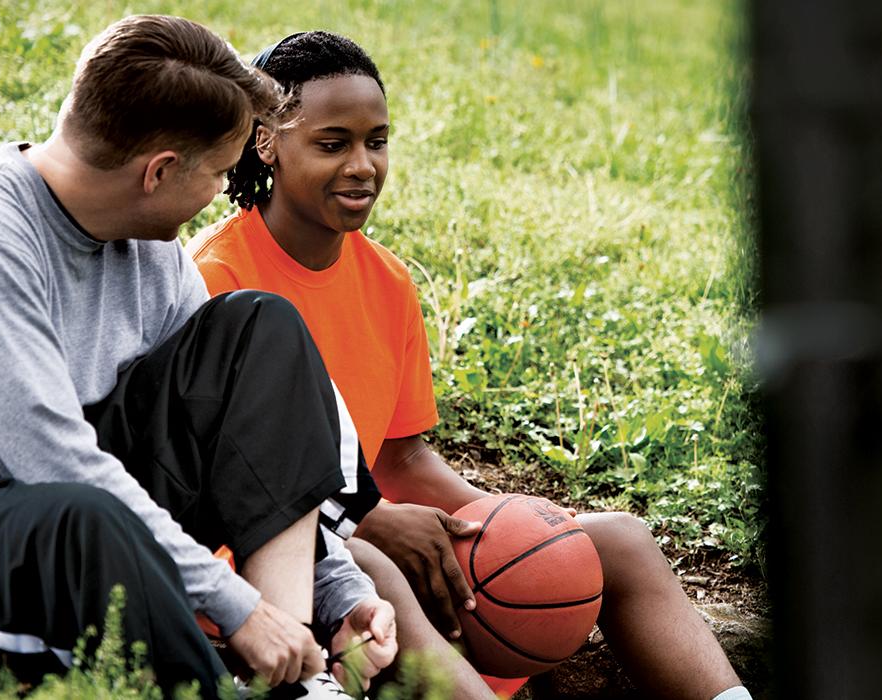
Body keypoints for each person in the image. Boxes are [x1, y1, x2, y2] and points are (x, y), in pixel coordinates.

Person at [0, 16, 397, 699]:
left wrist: (339, 591)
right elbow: (52, 463)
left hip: (50, 497)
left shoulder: (149, 249)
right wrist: (237, 608)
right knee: (88, 519)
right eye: (222, 173)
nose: (221, 195)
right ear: (160, 171)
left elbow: (239, 435)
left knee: (261, 328)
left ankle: (298, 675)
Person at [187, 30, 753, 700]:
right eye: (332, 143)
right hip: (279, 560)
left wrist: (511, 517)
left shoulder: (388, 281)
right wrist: (366, 520)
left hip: (380, 527)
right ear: (267, 143)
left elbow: (400, 458)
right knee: (373, 566)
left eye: (377, 140)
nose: (363, 165)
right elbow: (222, 484)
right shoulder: (216, 276)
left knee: (619, 541)